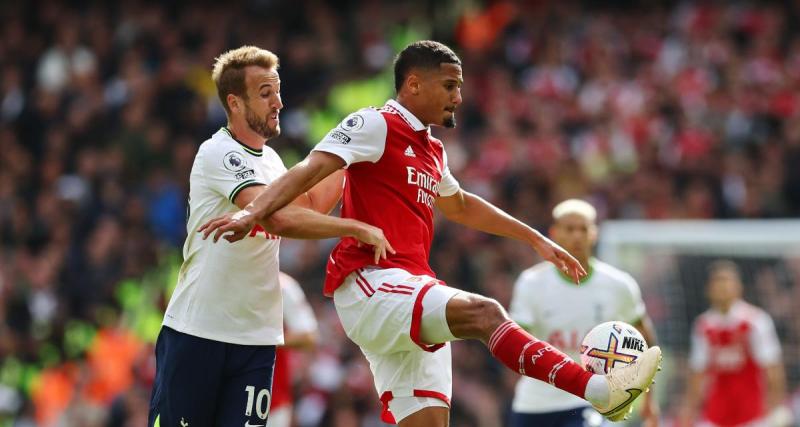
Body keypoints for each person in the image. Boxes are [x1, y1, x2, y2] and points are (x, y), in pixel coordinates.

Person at [199, 40, 661, 426]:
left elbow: (460, 205)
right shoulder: (375, 123)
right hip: (371, 281)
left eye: (459, 86)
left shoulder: (432, 150)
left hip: (410, 286)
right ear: (413, 84)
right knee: (484, 313)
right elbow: (310, 168)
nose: (458, 96)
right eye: (449, 85)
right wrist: (251, 213)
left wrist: (535, 238)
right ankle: (596, 388)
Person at [148, 46, 392, 427]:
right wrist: (353, 227)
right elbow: (275, 217)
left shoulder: (272, 161)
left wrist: (351, 155)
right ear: (236, 102)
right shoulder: (217, 153)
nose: (278, 102)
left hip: (256, 338)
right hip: (199, 331)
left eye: (277, 91)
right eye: (265, 93)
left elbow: (308, 206)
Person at [508, 199, 660, 427]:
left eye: (583, 229)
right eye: (569, 229)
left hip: (592, 399)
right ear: (554, 233)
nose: (577, 236)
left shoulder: (619, 285)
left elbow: (645, 341)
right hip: (535, 402)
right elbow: (516, 345)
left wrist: (648, 397)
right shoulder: (531, 283)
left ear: (594, 233)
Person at [679, 260, 793, 427]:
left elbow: (773, 368)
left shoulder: (756, 321)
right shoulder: (703, 325)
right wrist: (688, 411)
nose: (722, 286)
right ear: (708, 289)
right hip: (715, 415)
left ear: (739, 287)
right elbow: (697, 373)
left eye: (727, 281)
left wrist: (776, 406)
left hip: (752, 416)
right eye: (717, 281)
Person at [267, 272, 319, 427]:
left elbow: (308, 336)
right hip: (224, 392)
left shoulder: (283, 285)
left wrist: (262, 340)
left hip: (272, 402)